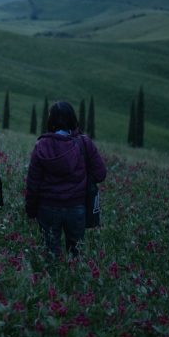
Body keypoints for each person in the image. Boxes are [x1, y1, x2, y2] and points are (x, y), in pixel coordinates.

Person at [25, 100, 107, 259]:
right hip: (76, 207)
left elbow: (33, 183)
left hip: (47, 208)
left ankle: (50, 282)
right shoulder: (84, 142)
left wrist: (31, 211)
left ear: (51, 120)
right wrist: (82, 178)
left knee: (50, 255)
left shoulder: (42, 145)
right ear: (72, 118)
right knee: (76, 255)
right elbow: (100, 174)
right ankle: (72, 282)